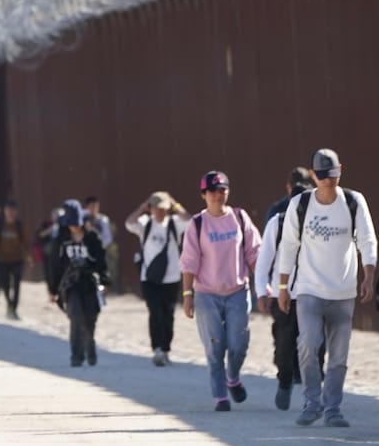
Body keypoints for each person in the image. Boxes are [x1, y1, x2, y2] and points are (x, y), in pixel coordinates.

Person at [276, 149, 378, 428]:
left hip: (343, 291)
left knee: (339, 355)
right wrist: (283, 287)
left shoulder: (354, 201)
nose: (328, 181)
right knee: (308, 343)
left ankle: (333, 408)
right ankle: (312, 401)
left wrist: (368, 276)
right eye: (321, 176)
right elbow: (288, 247)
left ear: (340, 170)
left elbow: (367, 241)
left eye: (332, 175)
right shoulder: (301, 204)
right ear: (312, 175)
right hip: (308, 289)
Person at [180, 171, 262, 411]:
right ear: (204, 194)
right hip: (207, 294)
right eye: (213, 191)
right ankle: (220, 397)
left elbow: (254, 253)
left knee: (238, 343)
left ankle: (232, 377)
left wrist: (263, 285)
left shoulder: (239, 217)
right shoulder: (197, 224)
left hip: (237, 291)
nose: (218, 194)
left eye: (222, 189)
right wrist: (187, 296)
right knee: (215, 346)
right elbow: (189, 262)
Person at [254, 169, 315, 410]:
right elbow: (264, 261)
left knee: (313, 345)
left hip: (312, 293)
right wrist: (262, 291)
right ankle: (284, 381)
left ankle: (313, 394)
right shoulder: (276, 224)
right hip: (283, 294)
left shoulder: (316, 226)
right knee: (284, 344)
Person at [126, 191, 191, 366]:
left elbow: (190, 220)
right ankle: (157, 349)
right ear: (151, 209)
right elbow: (129, 223)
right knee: (155, 313)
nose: (160, 212)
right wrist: (142, 207)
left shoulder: (174, 224)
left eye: (163, 208)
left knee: (168, 314)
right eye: (156, 208)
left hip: (171, 278)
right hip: (149, 278)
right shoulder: (145, 224)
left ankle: (166, 349)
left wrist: (175, 204)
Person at [48, 200, 109, 366]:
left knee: (90, 319)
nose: (74, 227)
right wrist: (52, 290)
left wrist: (104, 282)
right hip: (70, 286)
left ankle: (90, 346)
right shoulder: (60, 240)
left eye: (77, 224)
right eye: (71, 224)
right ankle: (76, 356)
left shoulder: (92, 238)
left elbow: (102, 261)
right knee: (76, 318)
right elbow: (54, 265)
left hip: (90, 284)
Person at [0, 200, 30, 320]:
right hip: (2, 260)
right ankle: (9, 304)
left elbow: (25, 241)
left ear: (16, 212)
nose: (10, 213)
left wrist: (29, 257)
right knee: (5, 284)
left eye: (13, 211)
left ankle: (14, 308)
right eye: (8, 211)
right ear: (5, 212)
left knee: (17, 284)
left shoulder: (19, 225)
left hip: (17, 259)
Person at [84, 196, 117, 288]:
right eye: (91, 207)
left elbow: (108, 237)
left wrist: (98, 246)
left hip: (100, 251)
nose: (93, 209)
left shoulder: (102, 220)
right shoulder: (83, 220)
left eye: (95, 206)